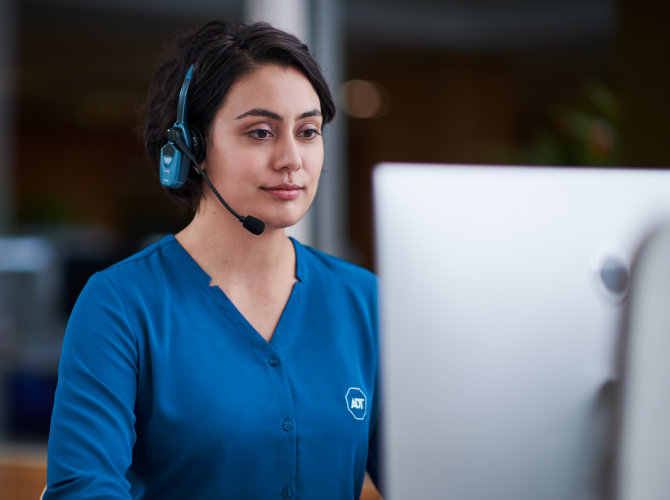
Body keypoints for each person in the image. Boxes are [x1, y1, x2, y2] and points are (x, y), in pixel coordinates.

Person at [44, 20, 381, 500]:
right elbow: (83, 488)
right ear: (192, 148)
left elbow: (430, 474)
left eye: (307, 131)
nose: (292, 159)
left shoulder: (363, 300)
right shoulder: (120, 304)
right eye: (261, 132)